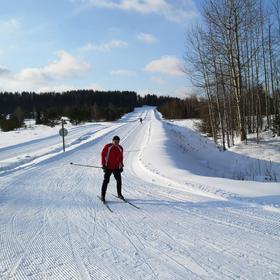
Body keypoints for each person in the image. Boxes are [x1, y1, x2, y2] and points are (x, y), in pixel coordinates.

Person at [100, 135, 124, 202]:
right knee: (106, 181)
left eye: (118, 141)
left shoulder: (120, 148)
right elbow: (103, 155)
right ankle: (103, 195)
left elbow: (121, 157)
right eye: (115, 141)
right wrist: (103, 164)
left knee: (119, 180)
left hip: (116, 167)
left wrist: (121, 165)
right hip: (108, 167)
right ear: (112, 141)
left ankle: (119, 194)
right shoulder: (108, 146)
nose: (116, 143)